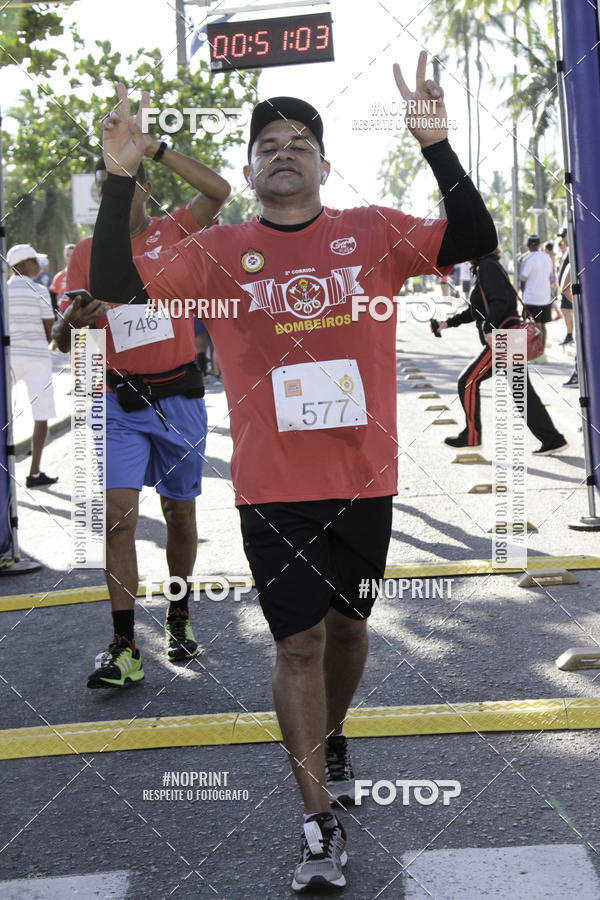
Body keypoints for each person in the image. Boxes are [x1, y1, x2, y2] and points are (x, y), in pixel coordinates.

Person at [90, 56, 496, 892]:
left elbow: (473, 238)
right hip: (273, 487)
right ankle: (317, 826)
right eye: (267, 144)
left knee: (348, 631)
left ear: (322, 163)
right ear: (248, 169)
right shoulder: (217, 251)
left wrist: (440, 147)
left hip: (364, 478)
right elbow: (111, 285)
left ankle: (330, 732)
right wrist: (117, 179)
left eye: (299, 142)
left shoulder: (372, 231)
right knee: (298, 642)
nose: (283, 152)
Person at [53, 135, 230, 689]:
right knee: (118, 521)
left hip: (179, 398)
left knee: (180, 516)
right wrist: (76, 321)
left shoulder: (173, 230)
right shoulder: (84, 252)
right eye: (109, 186)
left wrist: (154, 148)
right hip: (120, 402)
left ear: (145, 192)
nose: (115, 195)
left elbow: (219, 190)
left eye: (125, 187)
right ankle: (124, 644)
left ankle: (179, 615)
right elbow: (62, 337)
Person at [436, 248, 568, 455]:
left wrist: (488, 328)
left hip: (504, 339)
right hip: (509, 337)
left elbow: (500, 301)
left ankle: (472, 437)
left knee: (468, 382)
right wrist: (447, 323)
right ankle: (553, 439)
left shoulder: (487, 267)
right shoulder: (485, 267)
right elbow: (477, 311)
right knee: (522, 392)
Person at [6, 244, 58, 487]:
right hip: (37, 357)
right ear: (22, 265)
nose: (39, 266)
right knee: (41, 415)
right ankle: (34, 473)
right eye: (34, 261)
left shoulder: (3, 291)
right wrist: (41, 341)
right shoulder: (39, 290)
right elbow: (50, 330)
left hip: (9, 358)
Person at [519, 234, 553, 359]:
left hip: (531, 297)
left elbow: (523, 279)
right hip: (545, 297)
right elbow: (550, 275)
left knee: (534, 326)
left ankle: (535, 353)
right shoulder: (547, 258)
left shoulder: (527, 259)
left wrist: (523, 293)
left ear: (528, 245)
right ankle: (542, 352)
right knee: (542, 326)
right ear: (539, 245)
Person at [557, 229, 574, 346]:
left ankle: (570, 335)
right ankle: (570, 334)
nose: (562, 238)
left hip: (569, 289)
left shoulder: (572, 250)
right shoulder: (567, 250)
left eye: (564, 236)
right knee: (566, 310)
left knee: (567, 310)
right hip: (566, 290)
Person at [50, 243, 76, 315]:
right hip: (63, 314)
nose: (70, 258)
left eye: (72, 255)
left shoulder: (83, 274)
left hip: (79, 315)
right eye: (68, 255)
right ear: (64, 256)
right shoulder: (59, 276)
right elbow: (53, 297)